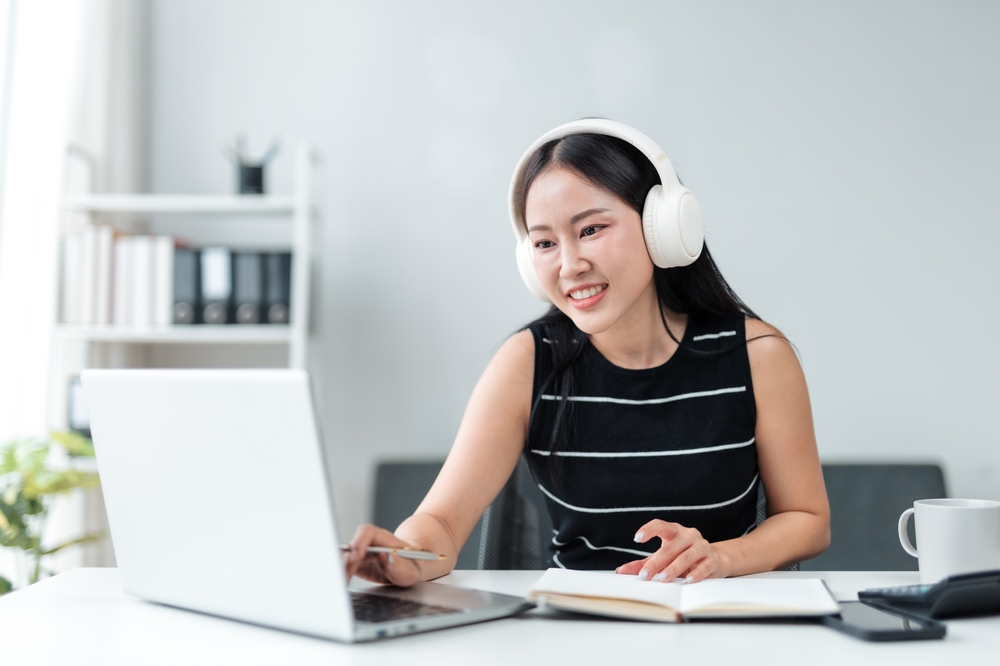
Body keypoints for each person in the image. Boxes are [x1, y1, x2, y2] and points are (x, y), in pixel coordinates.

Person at [346, 120, 830, 586]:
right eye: (544, 242)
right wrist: (401, 557)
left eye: (592, 229)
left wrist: (720, 557)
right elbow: (442, 523)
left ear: (662, 225)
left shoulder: (758, 354)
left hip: (723, 628)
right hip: (577, 632)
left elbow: (807, 520)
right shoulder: (527, 363)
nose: (570, 264)